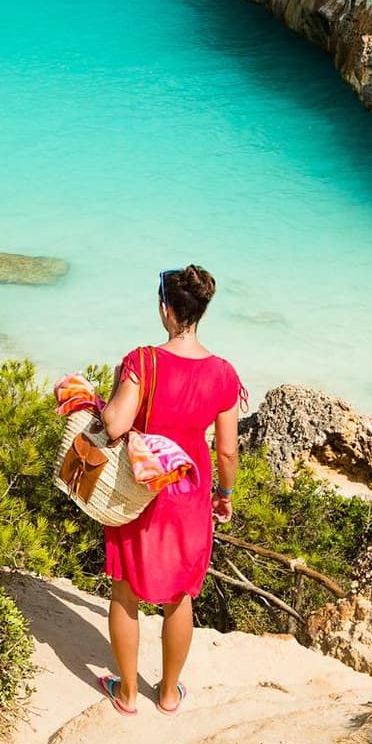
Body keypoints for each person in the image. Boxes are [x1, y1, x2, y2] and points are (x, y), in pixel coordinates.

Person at [96, 265, 241, 717]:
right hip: (190, 492)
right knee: (181, 596)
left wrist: (99, 407)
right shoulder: (223, 372)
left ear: (165, 309)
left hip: (141, 491)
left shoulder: (143, 361)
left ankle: (126, 695)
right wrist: (224, 493)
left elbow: (117, 423)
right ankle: (169, 693)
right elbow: (229, 451)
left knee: (125, 590)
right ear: (201, 311)